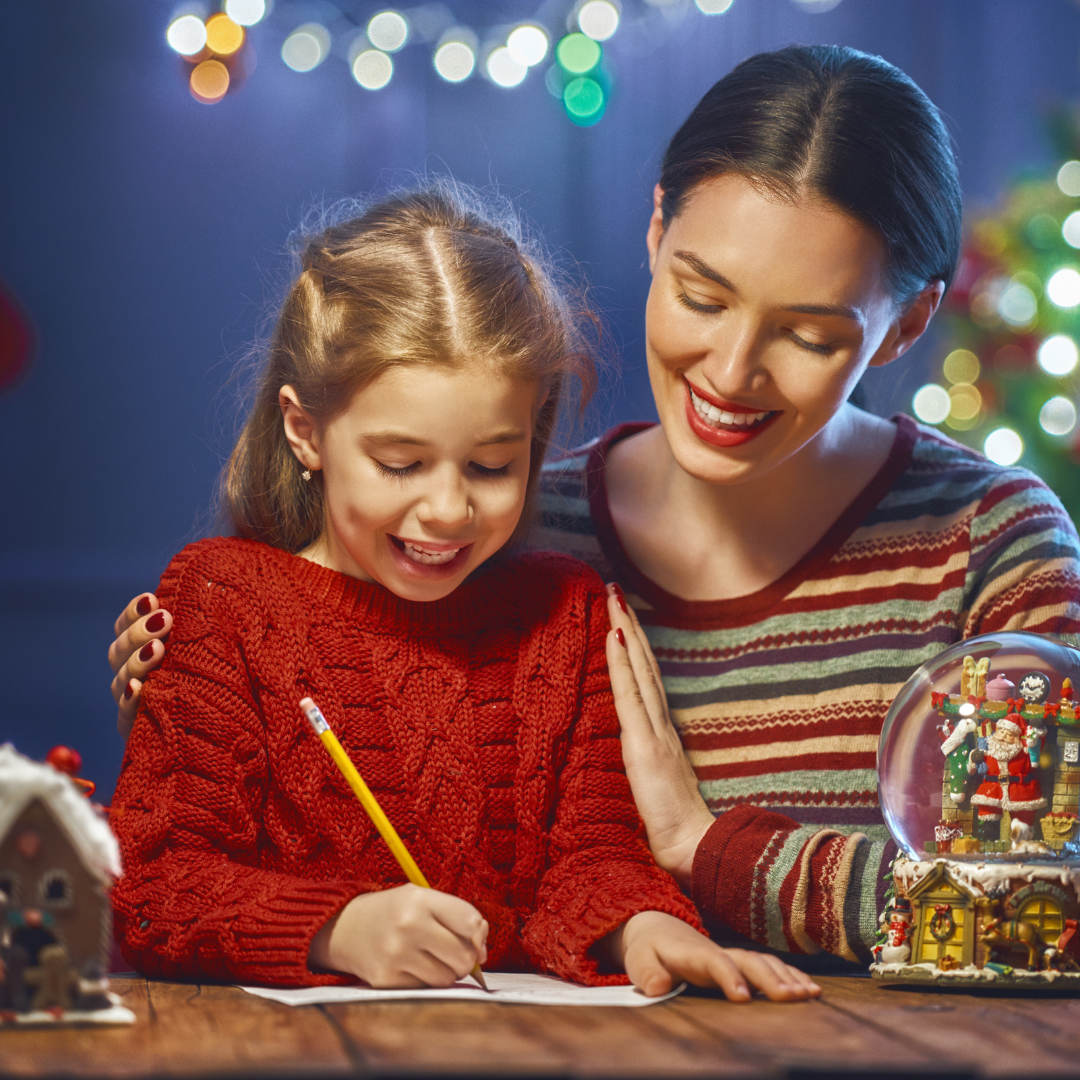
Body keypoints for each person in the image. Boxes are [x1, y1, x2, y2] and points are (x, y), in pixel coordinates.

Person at [110, 46, 1080, 970]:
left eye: (809, 335)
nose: (731, 373)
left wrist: (707, 848)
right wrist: (185, 703)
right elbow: (322, 713)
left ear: (907, 322)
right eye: (702, 297)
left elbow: (1050, 916)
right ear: (656, 230)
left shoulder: (987, 546)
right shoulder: (518, 536)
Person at [109, 185, 818, 1001]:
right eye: (401, 464)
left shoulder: (566, 611)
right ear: (305, 430)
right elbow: (154, 888)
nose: (448, 509)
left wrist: (648, 928)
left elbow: (591, 861)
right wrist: (338, 930)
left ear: (535, 433)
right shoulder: (222, 601)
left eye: (490, 465)